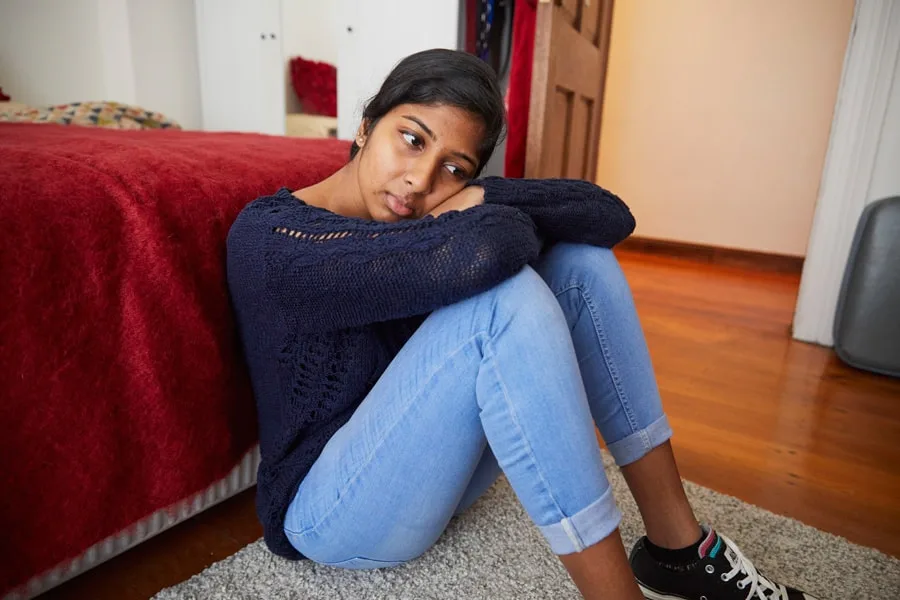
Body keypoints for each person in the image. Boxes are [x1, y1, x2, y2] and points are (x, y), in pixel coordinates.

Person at [226, 49, 817, 600]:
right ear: (363, 127)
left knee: (580, 264)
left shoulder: (430, 203)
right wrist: (474, 210)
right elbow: (487, 251)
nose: (419, 181)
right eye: (409, 139)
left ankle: (678, 547)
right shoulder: (272, 241)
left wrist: (478, 193)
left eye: (452, 167)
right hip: (329, 510)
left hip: (434, 474)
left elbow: (606, 215)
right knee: (501, 302)